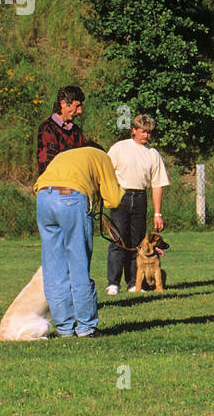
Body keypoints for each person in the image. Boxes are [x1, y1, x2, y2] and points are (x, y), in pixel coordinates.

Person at [33, 142, 123, 337]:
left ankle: (65, 329)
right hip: (72, 198)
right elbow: (113, 200)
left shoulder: (64, 154)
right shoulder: (101, 157)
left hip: (43, 197)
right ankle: (85, 328)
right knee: (78, 263)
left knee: (53, 268)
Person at [105, 114, 171, 295]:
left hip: (140, 197)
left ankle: (134, 282)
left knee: (137, 243)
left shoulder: (153, 154)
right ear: (134, 130)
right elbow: (106, 172)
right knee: (118, 240)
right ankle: (113, 282)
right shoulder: (120, 148)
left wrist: (158, 213)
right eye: (143, 132)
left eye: (149, 133)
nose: (146, 136)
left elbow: (157, 184)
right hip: (121, 197)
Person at [37, 85, 87, 175]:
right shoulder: (47, 128)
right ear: (63, 104)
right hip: (54, 184)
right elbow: (47, 164)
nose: (80, 111)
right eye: (77, 106)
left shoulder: (76, 131)